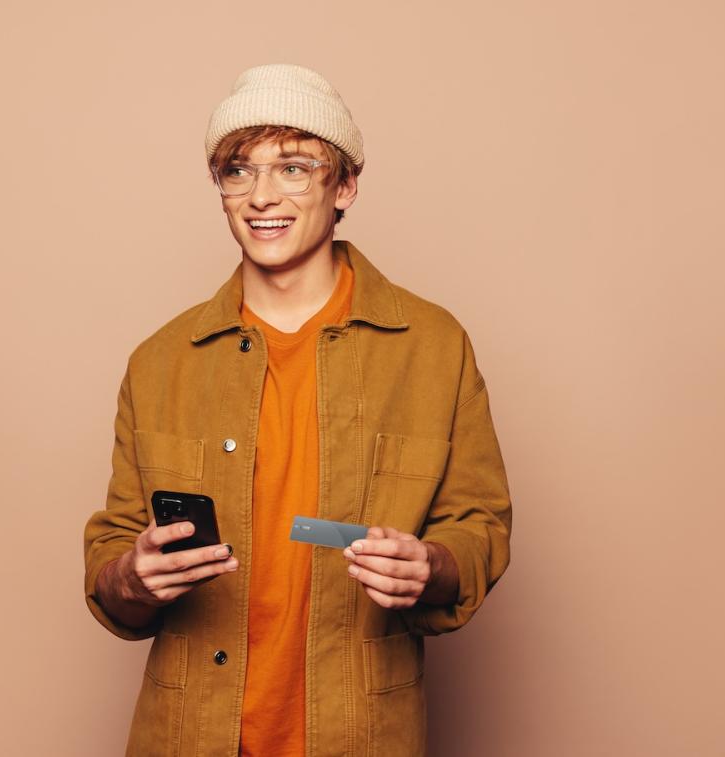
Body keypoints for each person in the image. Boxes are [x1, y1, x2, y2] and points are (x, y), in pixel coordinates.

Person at [83, 63, 512, 757]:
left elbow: (480, 523)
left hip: (361, 736)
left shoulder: (433, 348)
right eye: (238, 171)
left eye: (293, 168)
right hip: (188, 735)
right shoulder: (160, 362)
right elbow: (112, 557)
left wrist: (433, 564)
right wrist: (130, 575)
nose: (261, 196)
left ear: (344, 186)